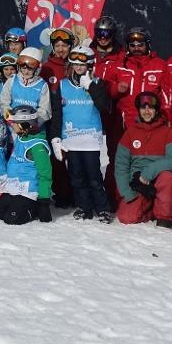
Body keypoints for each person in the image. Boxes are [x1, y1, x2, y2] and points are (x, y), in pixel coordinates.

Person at [51, 46, 113, 222]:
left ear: (90, 65)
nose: (78, 67)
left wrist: (91, 87)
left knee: (94, 176)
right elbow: (57, 114)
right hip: (71, 139)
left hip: (90, 140)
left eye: (82, 64)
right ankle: (83, 206)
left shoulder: (97, 82)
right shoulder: (63, 85)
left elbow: (105, 107)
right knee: (76, 177)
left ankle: (102, 208)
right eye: (75, 64)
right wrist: (55, 137)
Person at [114, 92, 172, 227]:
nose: (147, 111)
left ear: (156, 110)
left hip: (158, 178)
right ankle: (149, 210)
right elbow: (121, 166)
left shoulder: (167, 133)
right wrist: (128, 193)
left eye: (151, 108)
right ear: (138, 110)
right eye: (143, 108)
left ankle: (165, 216)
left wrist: (150, 171)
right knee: (126, 218)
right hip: (138, 182)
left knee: (168, 177)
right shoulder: (130, 133)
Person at [0, 106, 53, 224]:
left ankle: (36, 208)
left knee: (11, 219)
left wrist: (44, 202)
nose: (12, 125)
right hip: (13, 188)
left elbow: (45, 175)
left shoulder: (37, 146)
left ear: (25, 125)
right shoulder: (21, 137)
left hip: (28, 192)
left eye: (14, 123)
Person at [102, 27, 166, 129]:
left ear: (148, 45)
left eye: (140, 45)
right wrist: (116, 89)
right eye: (132, 45)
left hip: (152, 120)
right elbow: (105, 88)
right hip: (125, 122)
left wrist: (164, 116)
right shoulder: (118, 66)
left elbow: (166, 94)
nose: (136, 48)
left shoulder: (160, 65)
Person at [0, 47, 52, 125]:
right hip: (13, 127)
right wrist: (11, 122)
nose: (26, 72)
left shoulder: (42, 85)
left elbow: (45, 111)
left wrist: (34, 124)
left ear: (37, 69)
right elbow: (3, 105)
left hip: (34, 129)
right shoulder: (12, 81)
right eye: (23, 68)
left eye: (30, 69)